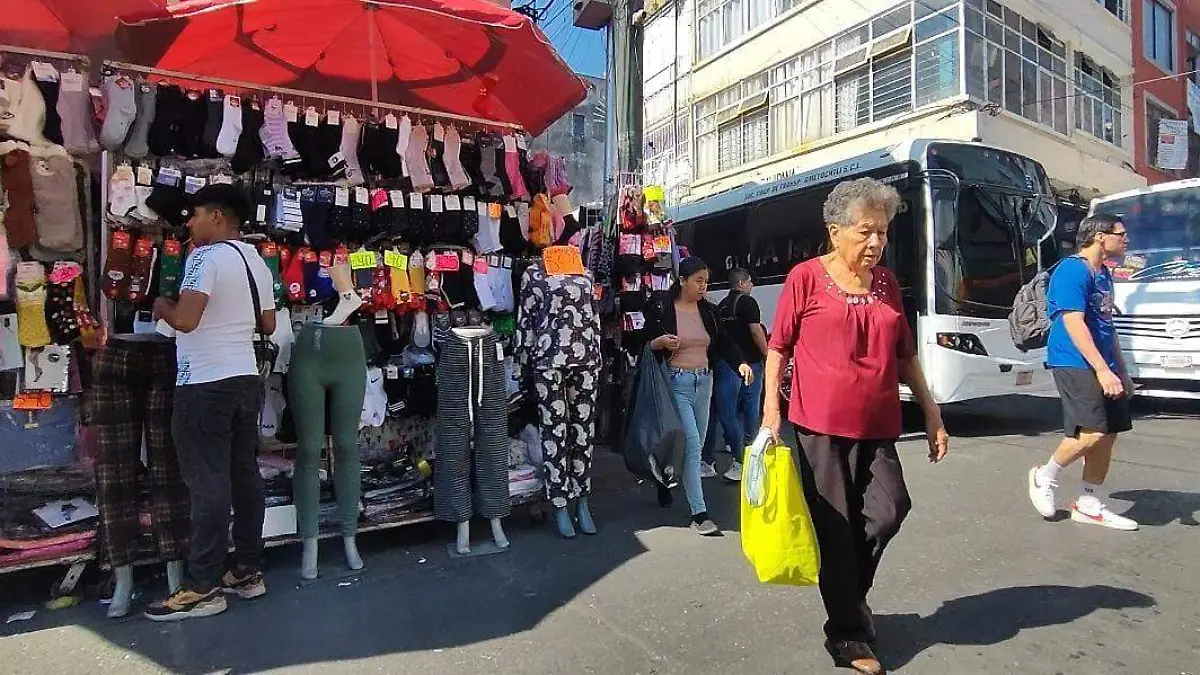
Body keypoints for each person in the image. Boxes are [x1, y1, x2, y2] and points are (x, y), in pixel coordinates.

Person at [761, 178, 949, 675]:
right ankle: (847, 633)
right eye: (866, 232)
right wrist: (770, 416)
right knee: (837, 530)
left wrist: (932, 413)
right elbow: (778, 349)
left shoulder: (887, 283)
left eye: (883, 234)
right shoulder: (805, 278)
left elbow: (904, 356)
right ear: (835, 232)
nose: (876, 244)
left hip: (878, 423)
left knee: (890, 510)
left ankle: (849, 598)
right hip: (818, 427)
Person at [148, 184, 277, 621]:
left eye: (196, 215)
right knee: (244, 477)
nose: (189, 222)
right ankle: (246, 570)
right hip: (244, 378)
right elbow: (268, 321)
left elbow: (186, 320)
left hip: (205, 382)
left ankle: (202, 584)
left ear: (217, 217)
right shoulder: (255, 259)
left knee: (208, 482)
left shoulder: (203, 258)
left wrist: (162, 304)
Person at [1027, 213, 1137, 531]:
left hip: (1105, 364)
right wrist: (1102, 370)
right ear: (1100, 236)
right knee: (1092, 431)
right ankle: (1044, 476)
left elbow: (1107, 327)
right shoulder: (1072, 270)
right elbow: (1073, 322)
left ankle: (1089, 503)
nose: (1126, 239)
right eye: (1121, 233)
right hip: (1074, 361)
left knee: (1109, 433)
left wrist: (1123, 371)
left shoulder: (1103, 274)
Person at [645, 256, 754, 536]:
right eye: (698, 281)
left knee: (692, 443)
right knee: (693, 445)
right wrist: (659, 343)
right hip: (676, 383)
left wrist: (739, 362)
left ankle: (664, 477)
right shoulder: (665, 309)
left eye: (706, 281)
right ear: (682, 281)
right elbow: (645, 343)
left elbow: (724, 342)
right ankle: (699, 513)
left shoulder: (709, 311)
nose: (704, 286)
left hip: (704, 382)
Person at [708, 268, 768, 481]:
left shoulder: (723, 305)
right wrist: (768, 354)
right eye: (750, 281)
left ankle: (734, 448)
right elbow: (755, 331)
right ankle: (750, 449)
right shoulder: (748, 303)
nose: (752, 285)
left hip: (730, 363)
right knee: (752, 405)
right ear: (741, 283)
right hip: (751, 361)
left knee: (728, 410)